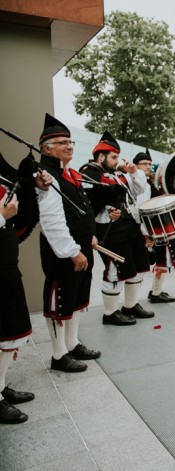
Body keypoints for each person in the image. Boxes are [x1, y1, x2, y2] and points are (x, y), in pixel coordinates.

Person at [37, 114, 100, 373]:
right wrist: (72, 251)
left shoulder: (67, 173)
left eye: (70, 141)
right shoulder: (45, 176)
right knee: (60, 300)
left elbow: (80, 210)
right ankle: (58, 354)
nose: (69, 146)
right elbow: (51, 220)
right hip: (62, 251)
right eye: (62, 142)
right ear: (46, 148)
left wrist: (90, 236)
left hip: (81, 245)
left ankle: (72, 344)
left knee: (76, 297)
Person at [81, 131, 153, 326]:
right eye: (113, 157)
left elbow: (139, 189)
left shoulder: (118, 175)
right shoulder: (88, 173)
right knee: (116, 270)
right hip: (110, 232)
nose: (117, 161)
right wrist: (106, 210)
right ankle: (110, 313)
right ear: (101, 156)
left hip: (131, 228)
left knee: (137, 268)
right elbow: (88, 203)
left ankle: (130, 305)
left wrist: (132, 171)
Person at [0, 156, 52, 423]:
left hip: (5, 266)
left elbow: (24, 211)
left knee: (9, 332)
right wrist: (1, 215)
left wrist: (35, 185)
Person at [132, 150, 175, 303]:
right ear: (135, 165)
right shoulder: (132, 182)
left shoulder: (149, 183)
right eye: (145, 164)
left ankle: (156, 292)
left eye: (150, 164)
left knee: (163, 259)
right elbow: (138, 210)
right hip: (141, 231)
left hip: (155, 230)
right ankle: (131, 303)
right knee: (140, 266)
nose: (148, 167)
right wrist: (146, 233)